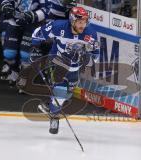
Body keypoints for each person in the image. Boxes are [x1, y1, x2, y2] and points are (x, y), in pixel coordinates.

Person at [31, 6, 100, 134]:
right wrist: (35, 48)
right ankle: (54, 117)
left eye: (84, 22)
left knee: (67, 95)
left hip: (75, 67)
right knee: (61, 93)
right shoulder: (58, 26)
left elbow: (96, 55)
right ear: (72, 21)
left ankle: (50, 105)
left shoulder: (91, 34)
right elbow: (37, 33)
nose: (82, 25)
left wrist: (85, 58)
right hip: (57, 61)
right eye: (79, 22)